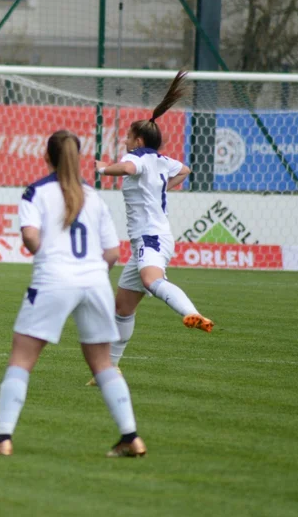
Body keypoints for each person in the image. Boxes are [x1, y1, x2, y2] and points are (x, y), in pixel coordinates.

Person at [0, 131, 145, 458]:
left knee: (21, 359)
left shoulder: (36, 192)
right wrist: (89, 274)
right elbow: (112, 252)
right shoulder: (93, 196)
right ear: (78, 158)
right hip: (95, 281)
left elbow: (30, 238)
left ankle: (3, 439)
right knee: (102, 363)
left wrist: (48, 254)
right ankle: (131, 437)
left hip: (54, 278)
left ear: (47, 158)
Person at [89, 70, 214, 384]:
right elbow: (185, 169)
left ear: (138, 140)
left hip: (151, 238)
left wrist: (105, 168)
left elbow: (129, 167)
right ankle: (110, 368)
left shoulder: (139, 158)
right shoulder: (162, 160)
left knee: (150, 279)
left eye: (129, 137)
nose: (126, 141)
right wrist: (162, 189)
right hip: (149, 239)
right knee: (123, 306)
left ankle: (191, 312)